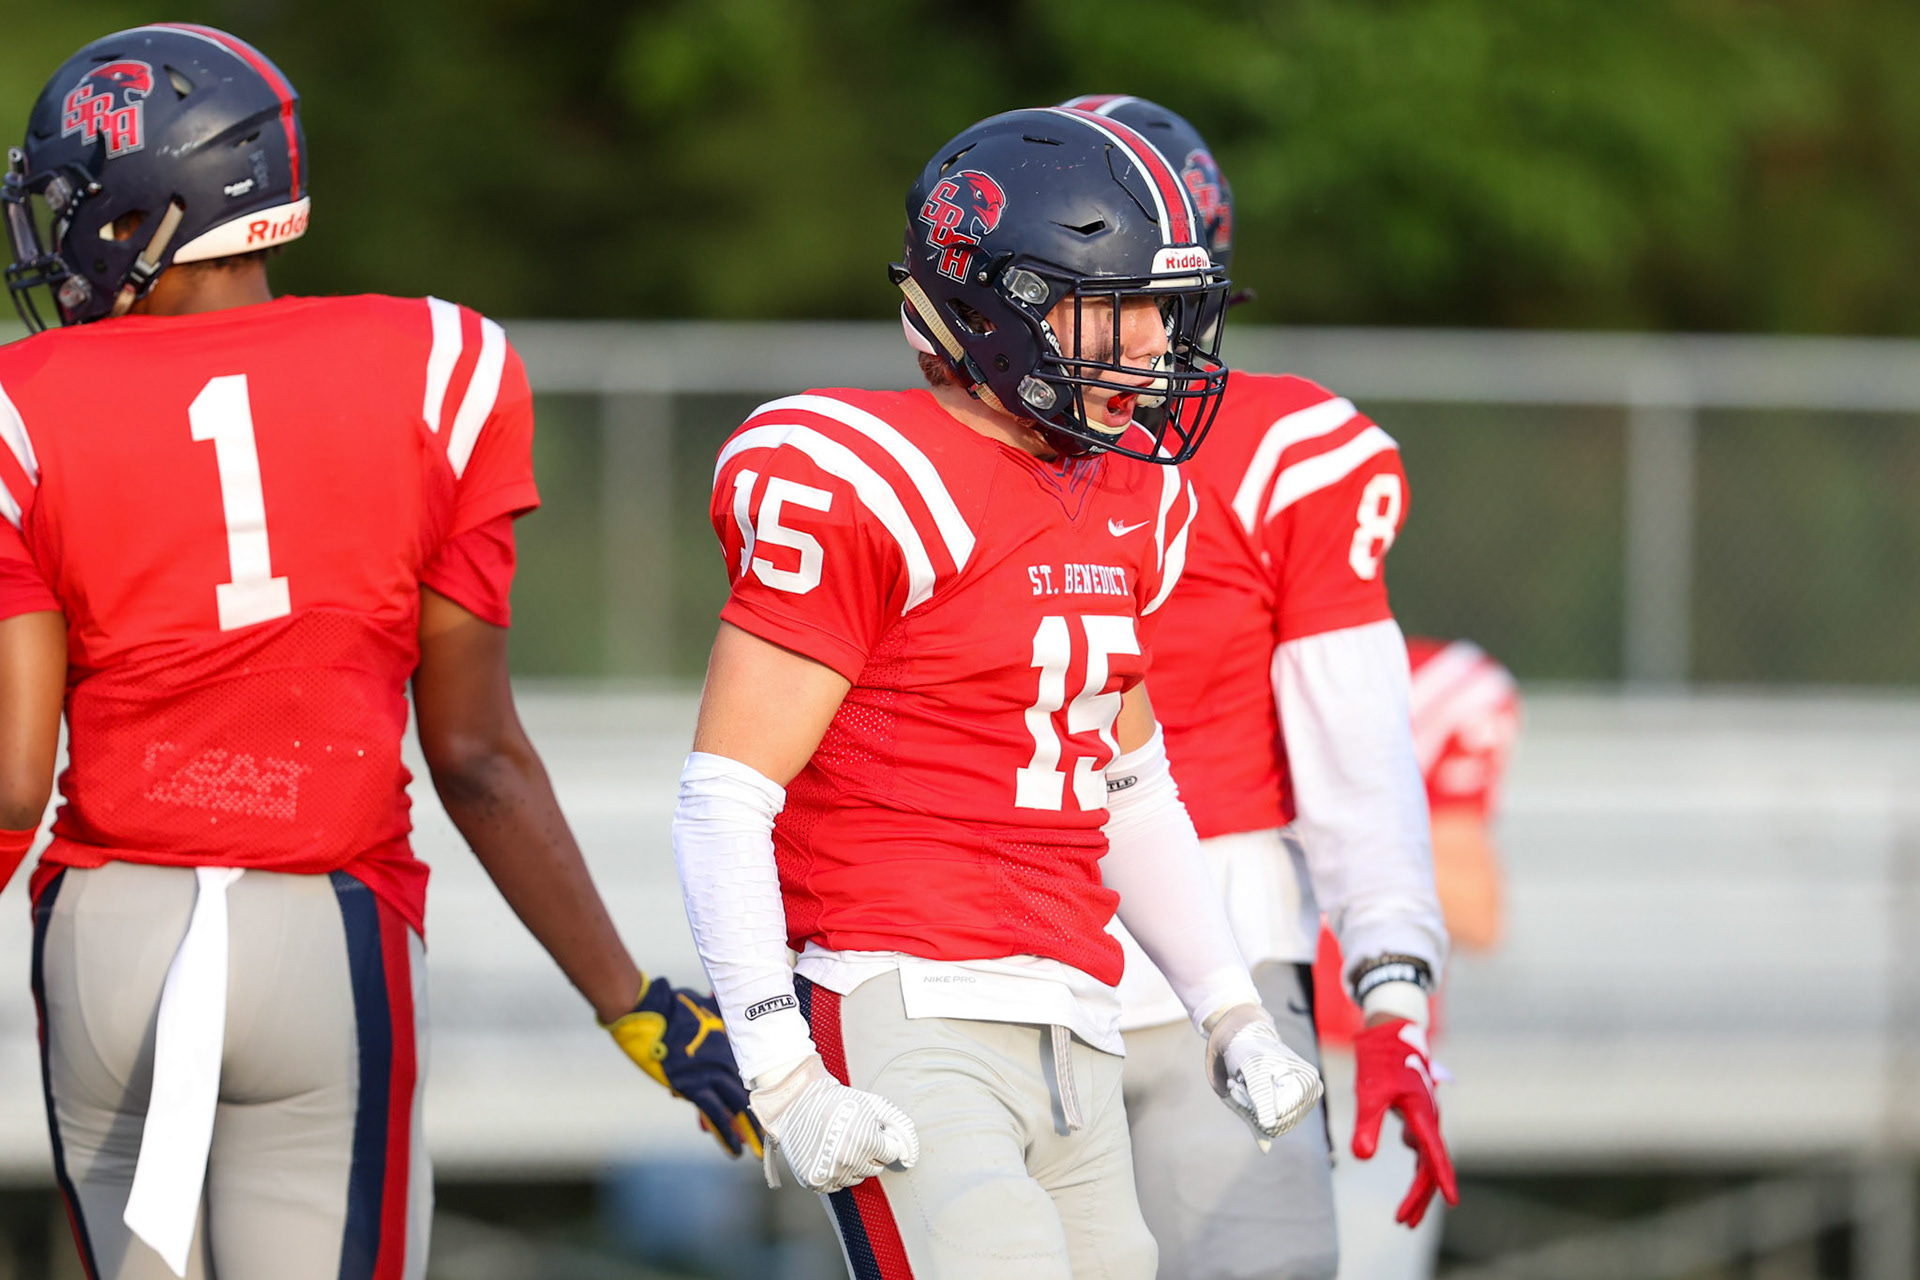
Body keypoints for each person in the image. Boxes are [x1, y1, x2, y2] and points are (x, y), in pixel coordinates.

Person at [0, 25, 756, 1280]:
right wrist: (630, 999)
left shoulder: (25, 399)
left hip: (111, 933)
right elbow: (477, 758)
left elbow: (16, 781)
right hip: (326, 932)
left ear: (147, 209)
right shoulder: (440, 363)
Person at [673, 106, 1323, 1280]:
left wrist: (1231, 1009)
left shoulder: (1134, 502)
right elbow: (725, 794)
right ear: (997, 308)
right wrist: (779, 1067)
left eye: (1160, 309)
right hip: (901, 988)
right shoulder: (866, 476)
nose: (1149, 346)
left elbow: (1124, 779)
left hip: (1072, 1011)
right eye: (1112, 306)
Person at [1052, 96, 1454, 1280]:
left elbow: (1357, 750)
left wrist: (1394, 992)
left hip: (1216, 963)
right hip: (981, 961)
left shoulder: (1286, 447)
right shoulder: (926, 451)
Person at [1315, 636, 1520, 1280]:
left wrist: (1319, 809)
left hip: (1355, 1048)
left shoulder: (1438, 689)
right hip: (1204, 1039)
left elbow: (1478, 909)